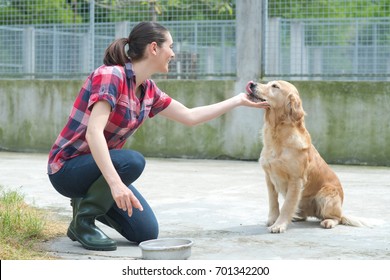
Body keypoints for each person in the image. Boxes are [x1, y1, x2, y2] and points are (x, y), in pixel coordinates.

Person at [47, 21, 270, 251]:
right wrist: (116, 184)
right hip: (67, 169)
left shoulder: (148, 90)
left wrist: (238, 101)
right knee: (132, 161)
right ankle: (84, 222)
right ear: (154, 48)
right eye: (170, 46)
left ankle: (83, 204)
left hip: (100, 169)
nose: (173, 53)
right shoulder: (111, 75)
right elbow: (94, 132)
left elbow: (190, 116)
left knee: (145, 232)